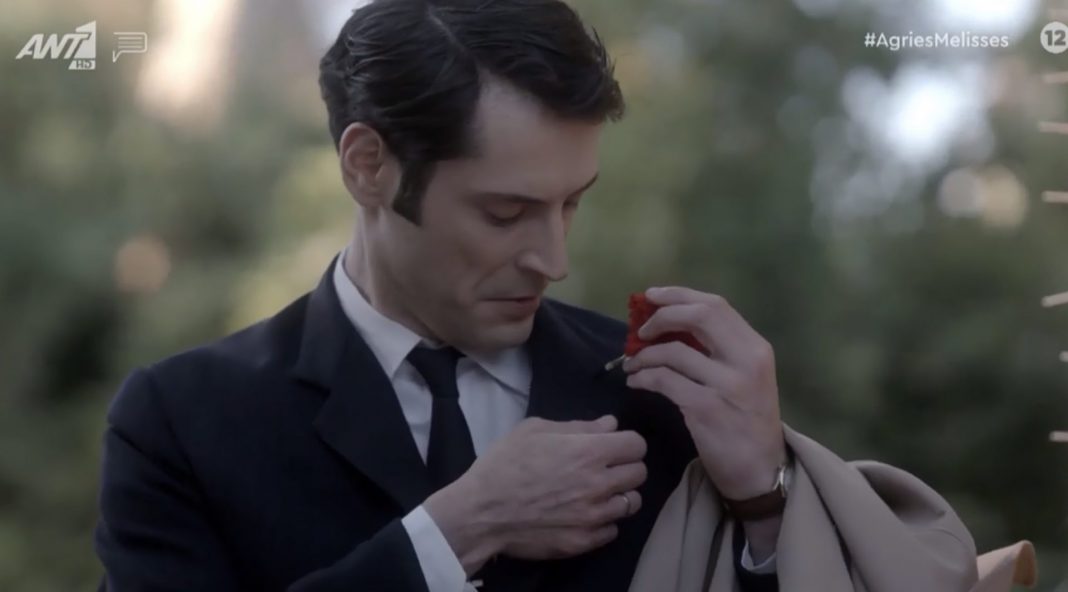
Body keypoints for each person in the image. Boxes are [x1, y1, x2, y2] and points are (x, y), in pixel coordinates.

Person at [94, 1, 979, 591]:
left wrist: (766, 503)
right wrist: (456, 531)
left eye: (572, 204)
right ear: (368, 166)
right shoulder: (181, 422)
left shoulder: (662, 395)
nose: (554, 259)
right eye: (506, 212)